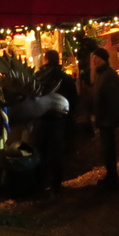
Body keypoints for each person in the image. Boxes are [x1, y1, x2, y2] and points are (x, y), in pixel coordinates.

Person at [34, 50, 77, 193]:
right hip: (59, 120)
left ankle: (42, 184)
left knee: (42, 152)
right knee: (56, 153)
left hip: (42, 120)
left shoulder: (39, 78)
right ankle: (56, 184)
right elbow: (73, 98)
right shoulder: (65, 78)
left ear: (45, 60)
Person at [91, 46, 119, 188]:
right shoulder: (101, 74)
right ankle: (110, 175)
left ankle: (112, 177)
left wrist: (102, 114)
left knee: (109, 148)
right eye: (93, 58)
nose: (94, 61)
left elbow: (109, 99)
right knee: (107, 148)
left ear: (102, 59)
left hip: (107, 118)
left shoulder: (108, 75)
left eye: (97, 58)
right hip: (104, 117)